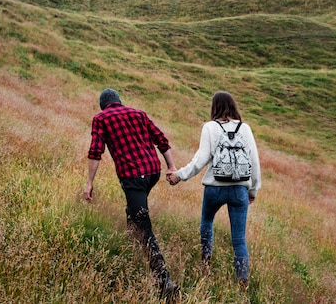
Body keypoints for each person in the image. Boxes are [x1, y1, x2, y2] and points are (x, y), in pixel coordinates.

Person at [84, 88, 180, 301]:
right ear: (119, 101)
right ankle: (130, 242)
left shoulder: (100, 118)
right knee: (135, 212)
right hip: (152, 172)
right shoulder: (139, 113)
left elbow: (95, 152)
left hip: (133, 177)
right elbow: (161, 140)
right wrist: (171, 166)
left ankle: (164, 281)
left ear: (103, 105)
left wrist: (90, 182)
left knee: (144, 225)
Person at [166, 91, 261, 288]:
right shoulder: (245, 128)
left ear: (214, 107)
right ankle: (242, 283)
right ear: (234, 106)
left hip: (214, 188)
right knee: (239, 240)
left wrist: (179, 176)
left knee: (207, 222)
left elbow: (200, 160)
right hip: (239, 190)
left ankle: (206, 262)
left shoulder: (210, 127)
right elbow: (254, 163)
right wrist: (252, 191)